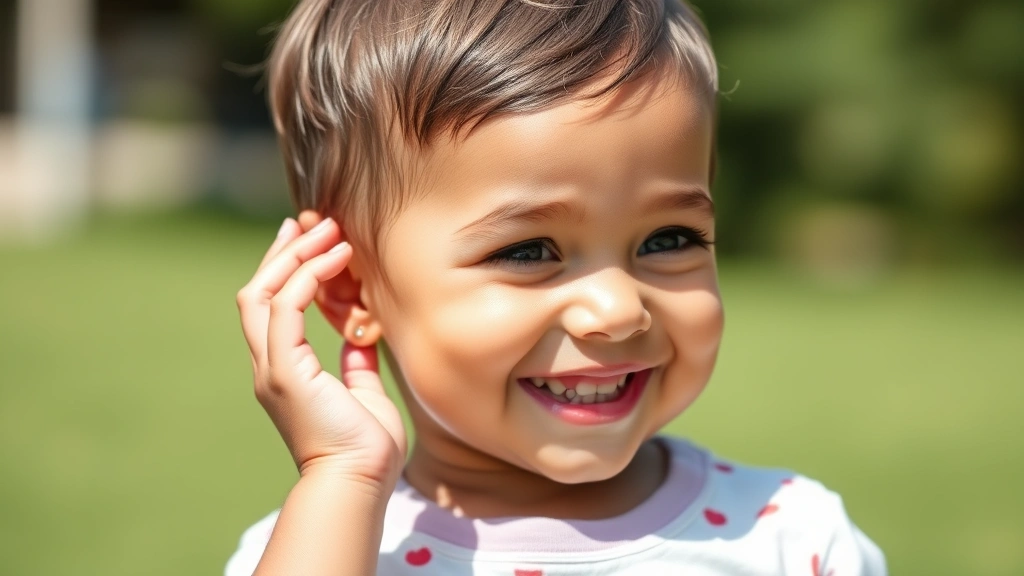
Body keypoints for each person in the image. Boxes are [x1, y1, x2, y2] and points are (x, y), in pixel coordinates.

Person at [227, 1, 887, 574]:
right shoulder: (326, 544)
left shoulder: (789, 538)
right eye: (528, 251)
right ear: (351, 291)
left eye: (668, 240)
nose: (619, 310)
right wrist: (345, 476)